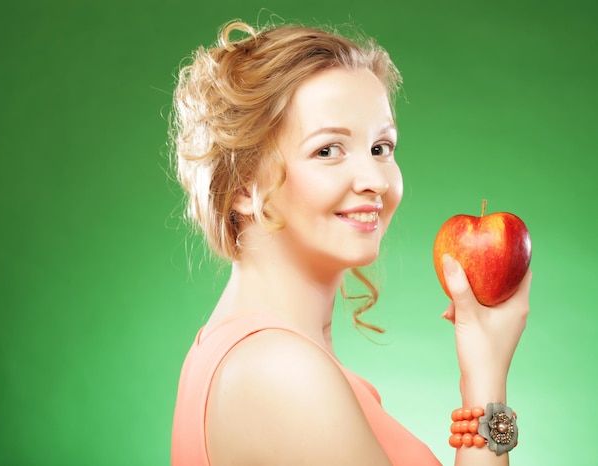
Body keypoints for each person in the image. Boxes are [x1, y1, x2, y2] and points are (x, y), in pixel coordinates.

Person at [168, 19, 532, 466]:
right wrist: (486, 380)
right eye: (328, 150)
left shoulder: (249, 351)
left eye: (381, 147)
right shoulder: (279, 372)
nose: (376, 180)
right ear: (244, 185)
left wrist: (484, 366)